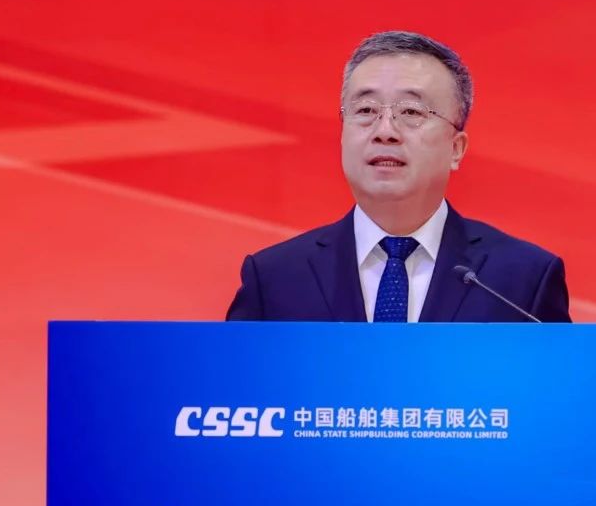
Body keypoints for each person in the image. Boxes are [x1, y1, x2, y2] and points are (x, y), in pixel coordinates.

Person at [226, 31, 570, 323]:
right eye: (365, 110)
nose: (385, 131)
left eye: (411, 112)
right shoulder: (275, 278)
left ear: (456, 148)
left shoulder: (521, 281)